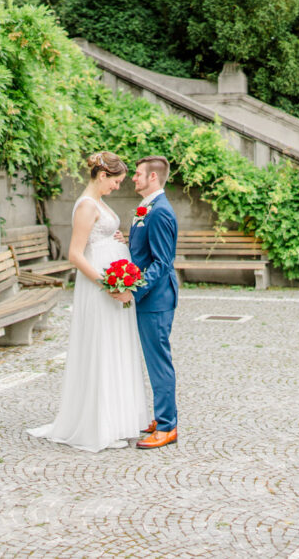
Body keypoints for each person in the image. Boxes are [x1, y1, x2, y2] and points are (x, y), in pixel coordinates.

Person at [27, 152, 149, 452]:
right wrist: (106, 283)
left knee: (116, 346)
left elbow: (101, 236)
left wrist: (119, 240)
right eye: (116, 181)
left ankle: (118, 419)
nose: (118, 187)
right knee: (101, 347)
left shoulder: (99, 204)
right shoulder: (85, 205)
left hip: (112, 284)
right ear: (102, 175)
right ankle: (99, 425)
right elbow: (75, 254)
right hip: (99, 287)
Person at [119, 156, 179, 449]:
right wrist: (126, 240)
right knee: (153, 359)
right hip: (150, 299)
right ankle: (161, 417)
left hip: (156, 300)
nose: (133, 178)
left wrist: (134, 290)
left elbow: (162, 263)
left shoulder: (160, 212)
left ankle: (168, 427)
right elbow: (145, 249)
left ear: (153, 178)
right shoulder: (148, 209)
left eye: (138, 174)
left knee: (159, 362)